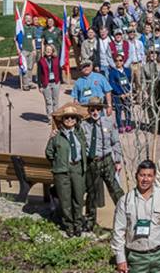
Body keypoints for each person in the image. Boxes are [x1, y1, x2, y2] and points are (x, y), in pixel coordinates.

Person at [111, 160, 160, 273]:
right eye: (142, 175)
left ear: (154, 177)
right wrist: (120, 259)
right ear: (136, 176)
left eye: (149, 175)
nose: (145, 179)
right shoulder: (125, 201)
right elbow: (118, 232)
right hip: (136, 258)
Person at [45, 101, 89, 237]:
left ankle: (78, 224)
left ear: (76, 120)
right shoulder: (56, 136)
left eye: (72, 117)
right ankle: (68, 225)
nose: (70, 120)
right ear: (62, 120)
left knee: (78, 197)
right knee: (65, 199)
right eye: (67, 117)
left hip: (77, 168)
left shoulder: (79, 134)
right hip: (62, 170)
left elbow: (85, 148)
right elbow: (49, 153)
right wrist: (59, 163)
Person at [81, 97, 125, 231]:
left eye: (98, 109)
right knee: (92, 193)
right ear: (88, 110)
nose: (95, 112)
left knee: (115, 189)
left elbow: (115, 142)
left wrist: (117, 160)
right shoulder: (83, 125)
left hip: (106, 160)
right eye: (92, 109)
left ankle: (126, 217)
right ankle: (90, 220)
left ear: (102, 110)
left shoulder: (109, 123)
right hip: (92, 162)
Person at [36, 43, 65, 119]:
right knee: (48, 101)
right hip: (46, 83)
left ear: (52, 51)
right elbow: (38, 74)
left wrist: (60, 81)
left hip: (55, 82)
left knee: (55, 100)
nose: (48, 51)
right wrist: (39, 85)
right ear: (45, 51)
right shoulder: (41, 61)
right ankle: (50, 117)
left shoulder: (56, 59)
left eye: (50, 49)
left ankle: (56, 116)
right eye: (47, 50)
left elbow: (59, 70)